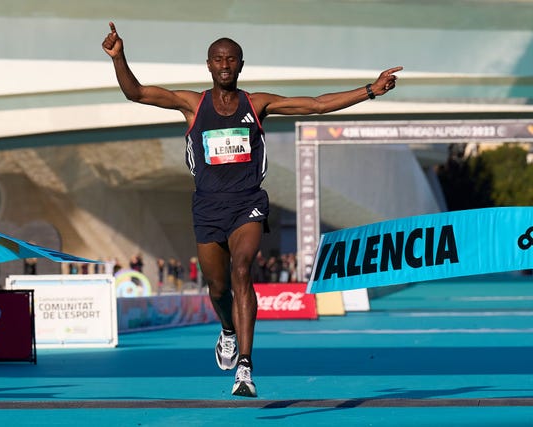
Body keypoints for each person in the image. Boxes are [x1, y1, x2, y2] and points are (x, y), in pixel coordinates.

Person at [102, 22, 402, 397]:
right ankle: (227, 330)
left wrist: (371, 90)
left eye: (231, 59)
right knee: (217, 288)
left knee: (242, 268)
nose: (224, 65)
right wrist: (119, 57)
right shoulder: (192, 104)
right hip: (208, 207)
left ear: (241, 65)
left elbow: (316, 105)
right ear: (208, 65)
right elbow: (138, 93)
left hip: (248, 203)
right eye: (218, 59)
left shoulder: (256, 104)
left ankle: (245, 366)